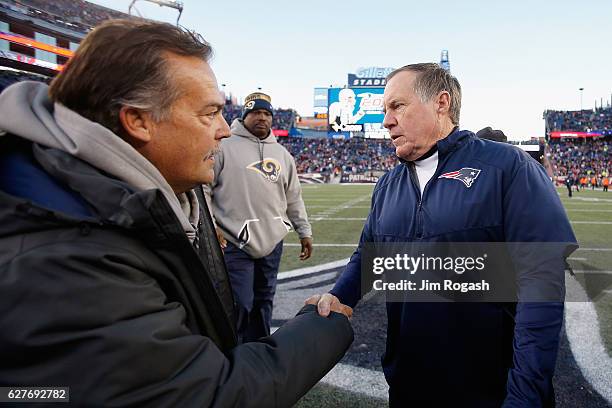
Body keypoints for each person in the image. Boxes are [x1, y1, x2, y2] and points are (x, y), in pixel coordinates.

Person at [0, 19, 353, 406]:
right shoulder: (58, 259)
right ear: (138, 120)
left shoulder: (157, 190)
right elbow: (203, 395)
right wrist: (323, 328)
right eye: (209, 113)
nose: (223, 129)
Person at [309, 63, 577, 407]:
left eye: (397, 106)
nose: (386, 121)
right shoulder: (388, 184)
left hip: (490, 390)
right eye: (385, 110)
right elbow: (369, 254)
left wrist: (525, 394)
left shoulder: (508, 167)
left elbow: (542, 283)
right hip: (408, 386)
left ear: (441, 103)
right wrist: (340, 295)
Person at [203, 92, 313, 342]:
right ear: (244, 117)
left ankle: (260, 348)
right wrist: (211, 226)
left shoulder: (283, 154)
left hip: (272, 240)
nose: (262, 118)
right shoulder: (224, 147)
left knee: (264, 301)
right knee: (239, 302)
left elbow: (293, 196)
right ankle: (235, 349)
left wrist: (304, 231)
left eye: (266, 114)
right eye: (255, 113)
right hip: (233, 240)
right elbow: (205, 189)